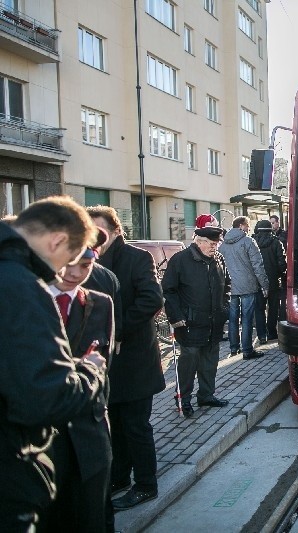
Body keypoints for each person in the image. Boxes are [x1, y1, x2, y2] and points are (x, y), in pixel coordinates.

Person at [0, 196, 107, 531]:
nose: (62, 271)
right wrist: (90, 369)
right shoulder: (21, 286)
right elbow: (47, 397)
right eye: (67, 260)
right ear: (58, 240)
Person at [86, 205, 165, 511]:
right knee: (113, 423)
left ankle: (146, 484)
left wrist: (118, 331)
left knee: (136, 426)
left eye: (98, 231)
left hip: (134, 360)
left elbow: (151, 299)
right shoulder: (88, 261)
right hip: (105, 361)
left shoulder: (137, 257)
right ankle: (120, 477)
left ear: (116, 231)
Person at [40, 228, 115, 533]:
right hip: (44, 441)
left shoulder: (101, 303)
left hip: (89, 437)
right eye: (68, 264)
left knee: (92, 517)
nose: (74, 273)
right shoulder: (29, 301)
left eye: (84, 266)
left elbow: (106, 367)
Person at [162, 220, 231, 417]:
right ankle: (183, 398)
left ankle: (206, 395)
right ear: (199, 241)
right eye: (211, 243)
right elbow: (169, 290)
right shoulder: (180, 260)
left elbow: (227, 284)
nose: (214, 247)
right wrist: (176, 317)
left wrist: (225, 307)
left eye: (216, 244)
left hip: (213, 322)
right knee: (189, 361)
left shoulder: (218, 259)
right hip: (189, 323)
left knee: (210, 360)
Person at [218, 216, 270, 359]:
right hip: (247, 286)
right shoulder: (248, 241)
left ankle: (234, 348)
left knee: (233, 318)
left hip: (230, 288)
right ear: (241, 226)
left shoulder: (222, 245)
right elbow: (257, 265)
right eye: (247, 225)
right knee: (247, 318)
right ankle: (247, 350)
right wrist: (264, 285)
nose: (248, 228)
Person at [253, 220, 287, 343]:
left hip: (257, 281)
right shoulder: (276, 242)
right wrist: (278, 273)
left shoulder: (253, 243)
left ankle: (262, 335)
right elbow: (282, 263)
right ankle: (272, 332)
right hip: (273, 280)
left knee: (259, 308)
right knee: (273, 308)